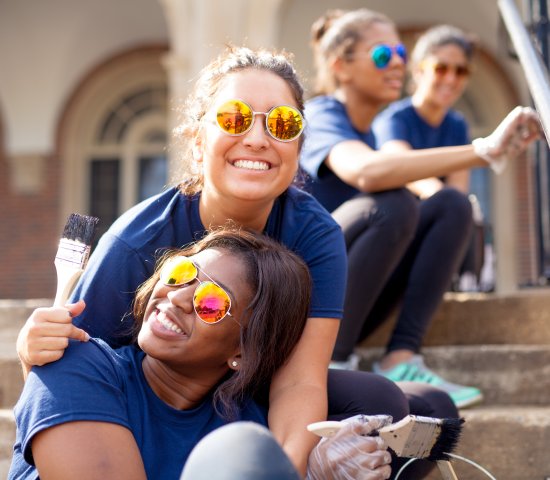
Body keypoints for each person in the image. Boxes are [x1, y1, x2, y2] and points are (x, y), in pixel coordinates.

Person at [16, 45, 458, 479]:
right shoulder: (135, 243)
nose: (257, 138)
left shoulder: (314, 233)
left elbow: (300, 380)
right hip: (145, 403)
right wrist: (32, 349)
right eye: (234, 118)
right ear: (196, 140)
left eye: (282, 124)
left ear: (300, 144)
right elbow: (62, 366)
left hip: (238, 382)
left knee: (402, 406)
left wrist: (291, 468)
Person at [8, 228, 392, 480]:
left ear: (243, 350)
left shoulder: (247, 430)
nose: (175, 297)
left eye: (211, 302)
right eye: (179, 274)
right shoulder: (76, 365)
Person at [300, 8, 540, 409]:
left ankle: (401, 357)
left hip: (353, 299)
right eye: (381, 55)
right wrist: (483, 151)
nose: (397, 62)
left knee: (451, 204)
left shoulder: (371, 127)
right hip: (304, 304)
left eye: (399, 52)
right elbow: (365, 172)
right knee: (392, 202)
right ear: (340, 66)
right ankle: (333, 362)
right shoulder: (323, 114)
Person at [372, 24, 485, 292]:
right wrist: (448, 201)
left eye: (461, 71)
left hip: (433, 235)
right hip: (392, 233)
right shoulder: (393, 119)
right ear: (419, 70)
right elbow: (400, 165)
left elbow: (459, 187)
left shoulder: (457, 125)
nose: (451, 79)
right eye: (441, 68)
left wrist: (455, 206)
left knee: (460, 206)